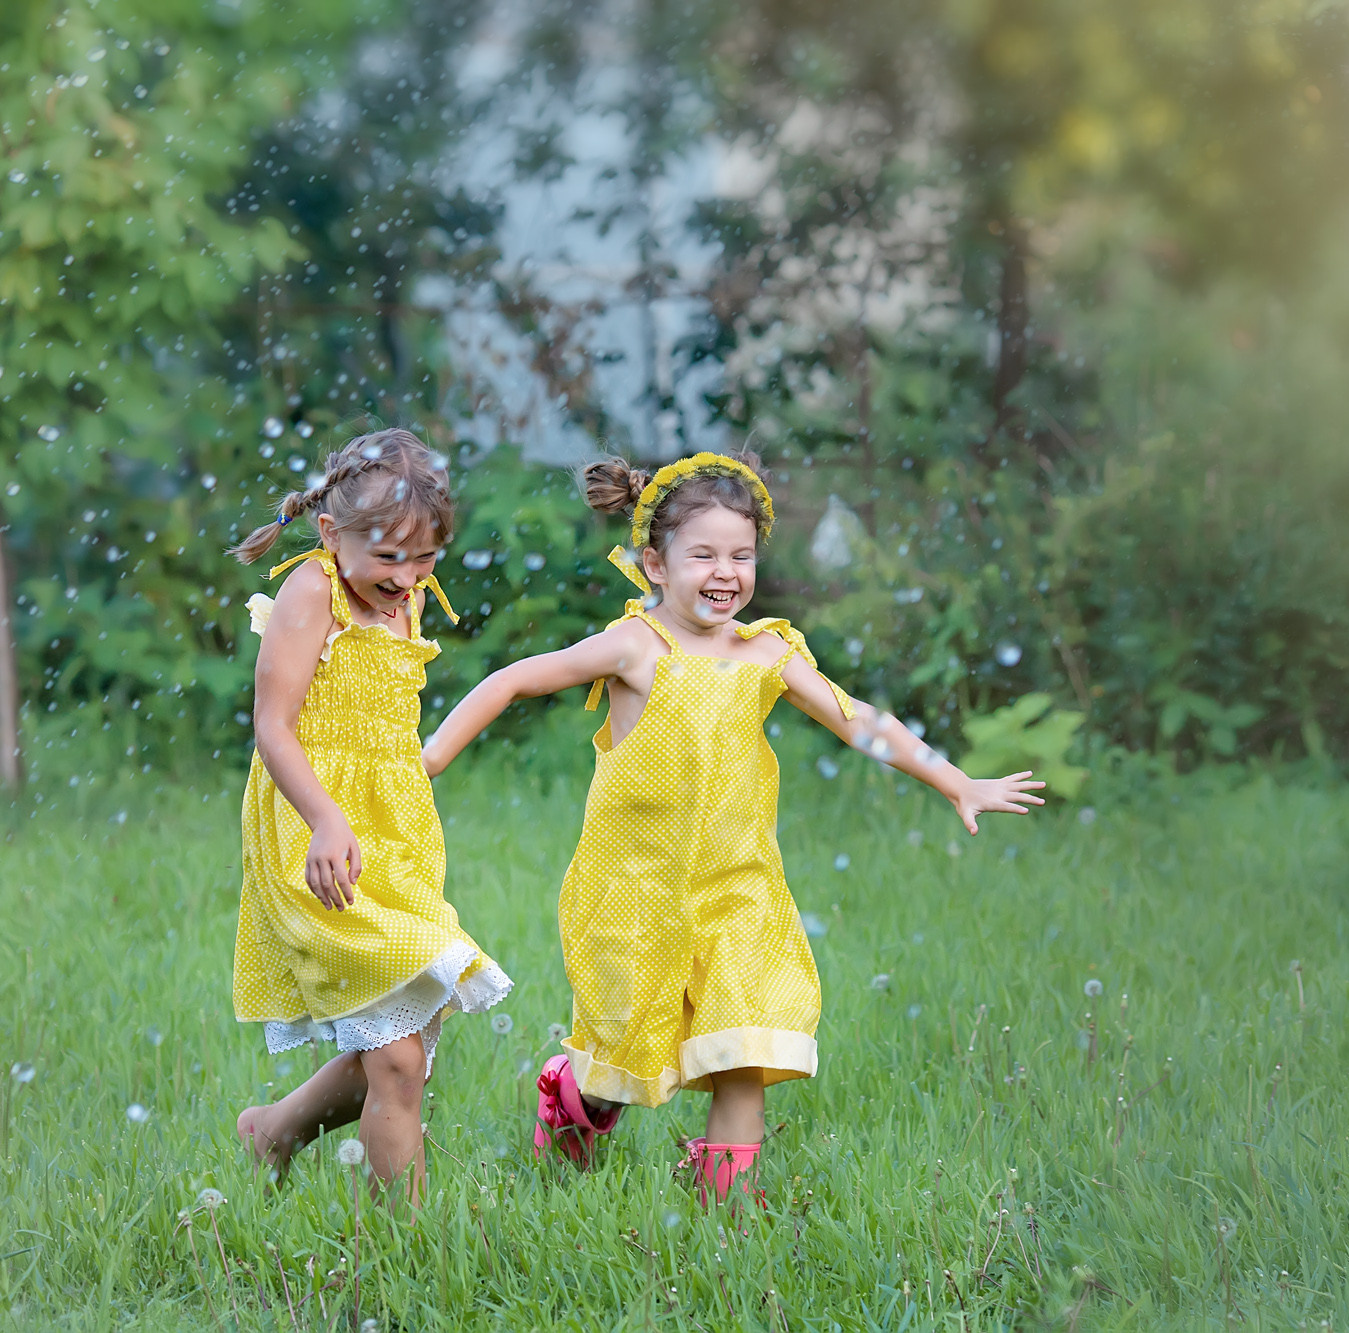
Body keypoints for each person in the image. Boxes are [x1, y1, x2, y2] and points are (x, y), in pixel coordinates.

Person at [421, 450, 1045, 1203]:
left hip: (737, 882)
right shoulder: (634, 647)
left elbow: (858, 720)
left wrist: (955, 781)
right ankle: (572, 1097)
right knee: (624, 1057)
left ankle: (725, 1219)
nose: (726, 572)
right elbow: (513, 677)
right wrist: (428, 759)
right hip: (634, 890)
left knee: (746, 1041)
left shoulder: (766, 652)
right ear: (655, 561)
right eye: (704, 555)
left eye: (742, 555)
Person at [228, 427, 511, 1204]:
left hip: (396, 836)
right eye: (388, 556)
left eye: (423, 559)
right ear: (331, 533)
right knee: (395, 1059)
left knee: (410, 1037)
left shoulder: (408, 595)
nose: (407, 576)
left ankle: (275, 1130)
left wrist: (413, 770)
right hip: (316, 831)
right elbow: (273, 726)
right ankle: (407, 1246)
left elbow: (388, 726)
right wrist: (325, 817)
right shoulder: (312, 590)